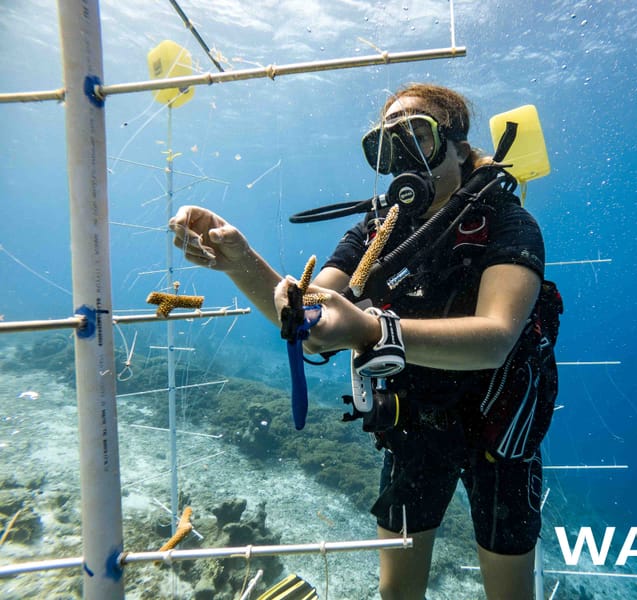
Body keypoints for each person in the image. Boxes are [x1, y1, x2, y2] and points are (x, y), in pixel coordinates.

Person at [170, 83, 548, 600]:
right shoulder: (374, 229)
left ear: (458, 147)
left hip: (499, 429)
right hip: (414, 425)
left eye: (418, 134)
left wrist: (372, 330)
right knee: (396, 592)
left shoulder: (507, 223)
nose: (402, 156)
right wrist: (242, 263)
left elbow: (496, 339)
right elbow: (311, 319)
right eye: (388, 143)